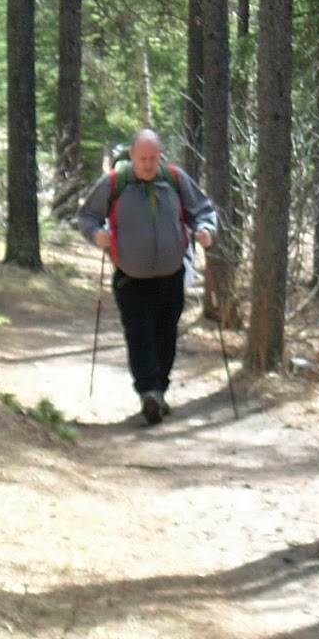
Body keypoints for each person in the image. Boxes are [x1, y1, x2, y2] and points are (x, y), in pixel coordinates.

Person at [78, 128, 216, 425]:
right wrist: (97, 234)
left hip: (171, 274)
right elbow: (86, 217)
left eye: (153, 157)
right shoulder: (114, 183)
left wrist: (206, 230)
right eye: (143, 158)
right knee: (139, 334)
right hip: (131, 277)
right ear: (132, 156)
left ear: (160, 156)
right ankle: (148, 392)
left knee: (166, 334)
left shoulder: (175, 180)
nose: (149, 164)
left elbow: (202, 210)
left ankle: (160, 390)